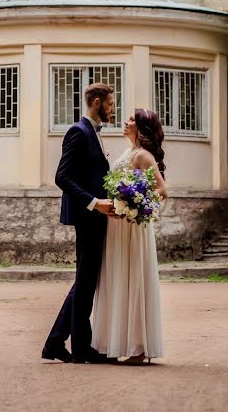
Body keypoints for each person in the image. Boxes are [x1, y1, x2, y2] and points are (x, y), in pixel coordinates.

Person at [42, 83, 118, 364]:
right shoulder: (79, 131)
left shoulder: (95, 134)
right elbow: (62, 177)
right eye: (110, 103)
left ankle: (57, 344)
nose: (113, 108)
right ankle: (80, 349)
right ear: (96, 102)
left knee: (85, 282)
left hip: (97, 215)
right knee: (85, 281)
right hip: (87, 216)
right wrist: (94, 202)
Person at [91, 108, 168, 365]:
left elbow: (161, 189)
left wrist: (136, 204)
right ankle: (118, 342)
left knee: (133, 278)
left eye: (133, 120)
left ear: (143, 127)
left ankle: (138, 347)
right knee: (117, 278)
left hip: (132, 227)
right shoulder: (128, 152)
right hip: (117, 225)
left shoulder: (143, 155)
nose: (127, 122)